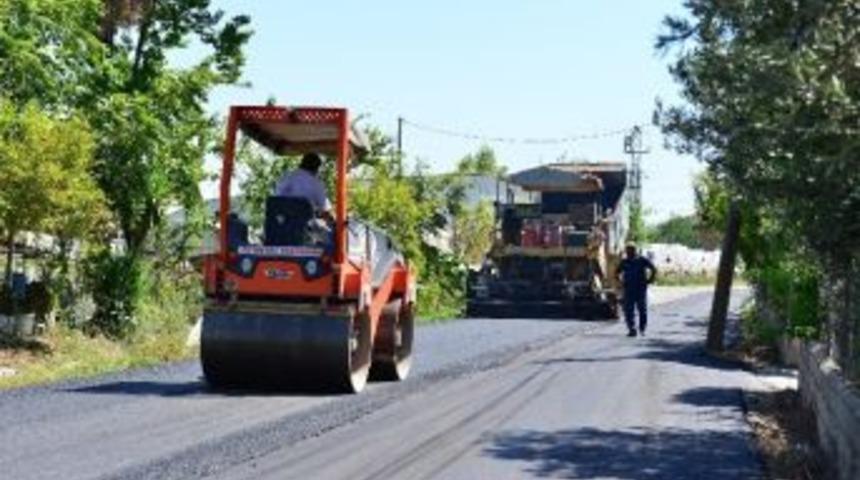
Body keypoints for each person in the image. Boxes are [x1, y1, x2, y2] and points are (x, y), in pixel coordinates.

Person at [273, 152, 334, 222]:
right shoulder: (316, 183)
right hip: (303, 227)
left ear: (301, 164)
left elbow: (276, 199)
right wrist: (333, 221)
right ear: (316, 168)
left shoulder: (286, 176)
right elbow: (325, 210)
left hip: (279, 224)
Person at [615, 243, 657, 337]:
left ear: (635, 250)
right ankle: (632, 329)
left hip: (640, 288)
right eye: (628, 250)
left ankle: (642, 328)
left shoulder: (642, 260)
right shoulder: (624, 262)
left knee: (642, 309)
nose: (629, 251)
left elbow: (653, 269)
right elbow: (617, 272)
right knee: (628, 310)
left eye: (631, 249)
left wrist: (649, 280)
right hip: (629, 289)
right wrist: (621, 282)